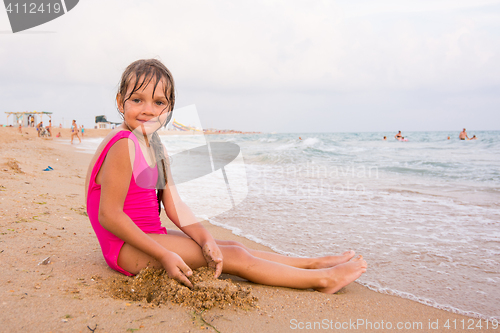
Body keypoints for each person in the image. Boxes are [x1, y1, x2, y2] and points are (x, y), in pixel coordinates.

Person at [84, 59, 366, 293]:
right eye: (137, 99)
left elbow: (175, 206)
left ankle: (311, 264)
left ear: (169, 108)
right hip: (125, 247)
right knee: (236, 257)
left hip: (146, 236)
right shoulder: (123, 144)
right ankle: (323, 280)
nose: (148, 110)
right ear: (120, 101)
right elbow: (109, 215)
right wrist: (164, 254)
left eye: (158, 103)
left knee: (227, 246)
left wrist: (205, 239)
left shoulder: (155, 145)